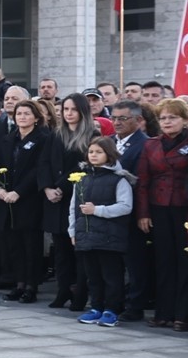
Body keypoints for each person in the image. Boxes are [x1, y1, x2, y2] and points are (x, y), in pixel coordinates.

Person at [135, 97, 188, 331]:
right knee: (163, 261)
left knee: (184, 262)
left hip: (184, 208)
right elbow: (143, 181)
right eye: (163, 118)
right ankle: (162, 313)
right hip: (158, 207)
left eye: (173, 117)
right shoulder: (151, 145)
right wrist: (143, 213)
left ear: (184, 120)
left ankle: (182, 314)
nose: (167, 122)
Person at [71, 136, 135, 327]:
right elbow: (73, 208)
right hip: (86, 236)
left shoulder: (119, 179)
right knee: (93, 276)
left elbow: (125, 207)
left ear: (109, 154)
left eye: (99, 152)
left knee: (111, 275)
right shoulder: (81, 179)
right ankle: (96, 307)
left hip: (110, 237)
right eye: (91, 152)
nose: (94, 155)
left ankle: (112, 309)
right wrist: (72, 231)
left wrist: (98, 210)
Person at [43, 94, 97, 310]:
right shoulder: (55, 134)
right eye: (65, 109)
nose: (69, 113)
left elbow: (84, 165)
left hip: (77, 197)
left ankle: (80, 294)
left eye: (74, 109)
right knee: (61, 250)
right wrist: (47, 187)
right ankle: (62, 290)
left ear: (83, 111)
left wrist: (60, 187)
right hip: (54, 199)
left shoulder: (92, 134)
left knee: (78, 250)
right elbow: (44, 162)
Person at [0, 100, 49, 303]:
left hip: (29, 199)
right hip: (7, 199)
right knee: (14, 244)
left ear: (36, 117)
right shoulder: (9, 139)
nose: (22, 117)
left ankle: (31, 286)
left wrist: (19, 191)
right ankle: (19, 283)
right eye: (19, 114)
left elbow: (38, 169)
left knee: (31, 245)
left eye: (27, 114)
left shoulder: (43, 138)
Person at [110, 100, 153, 321]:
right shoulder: (108, 142)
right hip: (108, 212)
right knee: (112, 261)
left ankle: (135, 304)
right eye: (114, 117)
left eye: (122, 118)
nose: (117, 122)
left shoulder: (145, 145)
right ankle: (113, 302)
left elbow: (143, 182)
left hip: (132, 210)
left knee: (134, 261)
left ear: (137, 120)